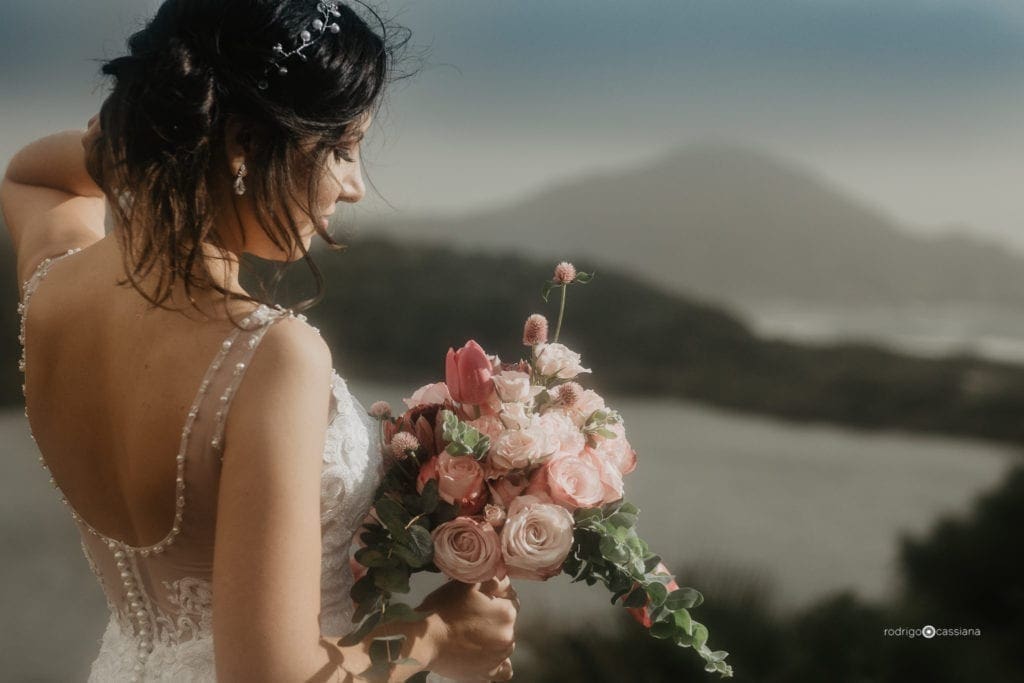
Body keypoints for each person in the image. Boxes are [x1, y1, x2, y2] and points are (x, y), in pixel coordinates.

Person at [0, 1, 518, 681]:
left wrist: (149, 149)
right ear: (243, 144)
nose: (356, 186)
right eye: (340, 148)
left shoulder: (50, 287)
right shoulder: (269, 357)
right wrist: (436, 633)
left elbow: (30, 174)